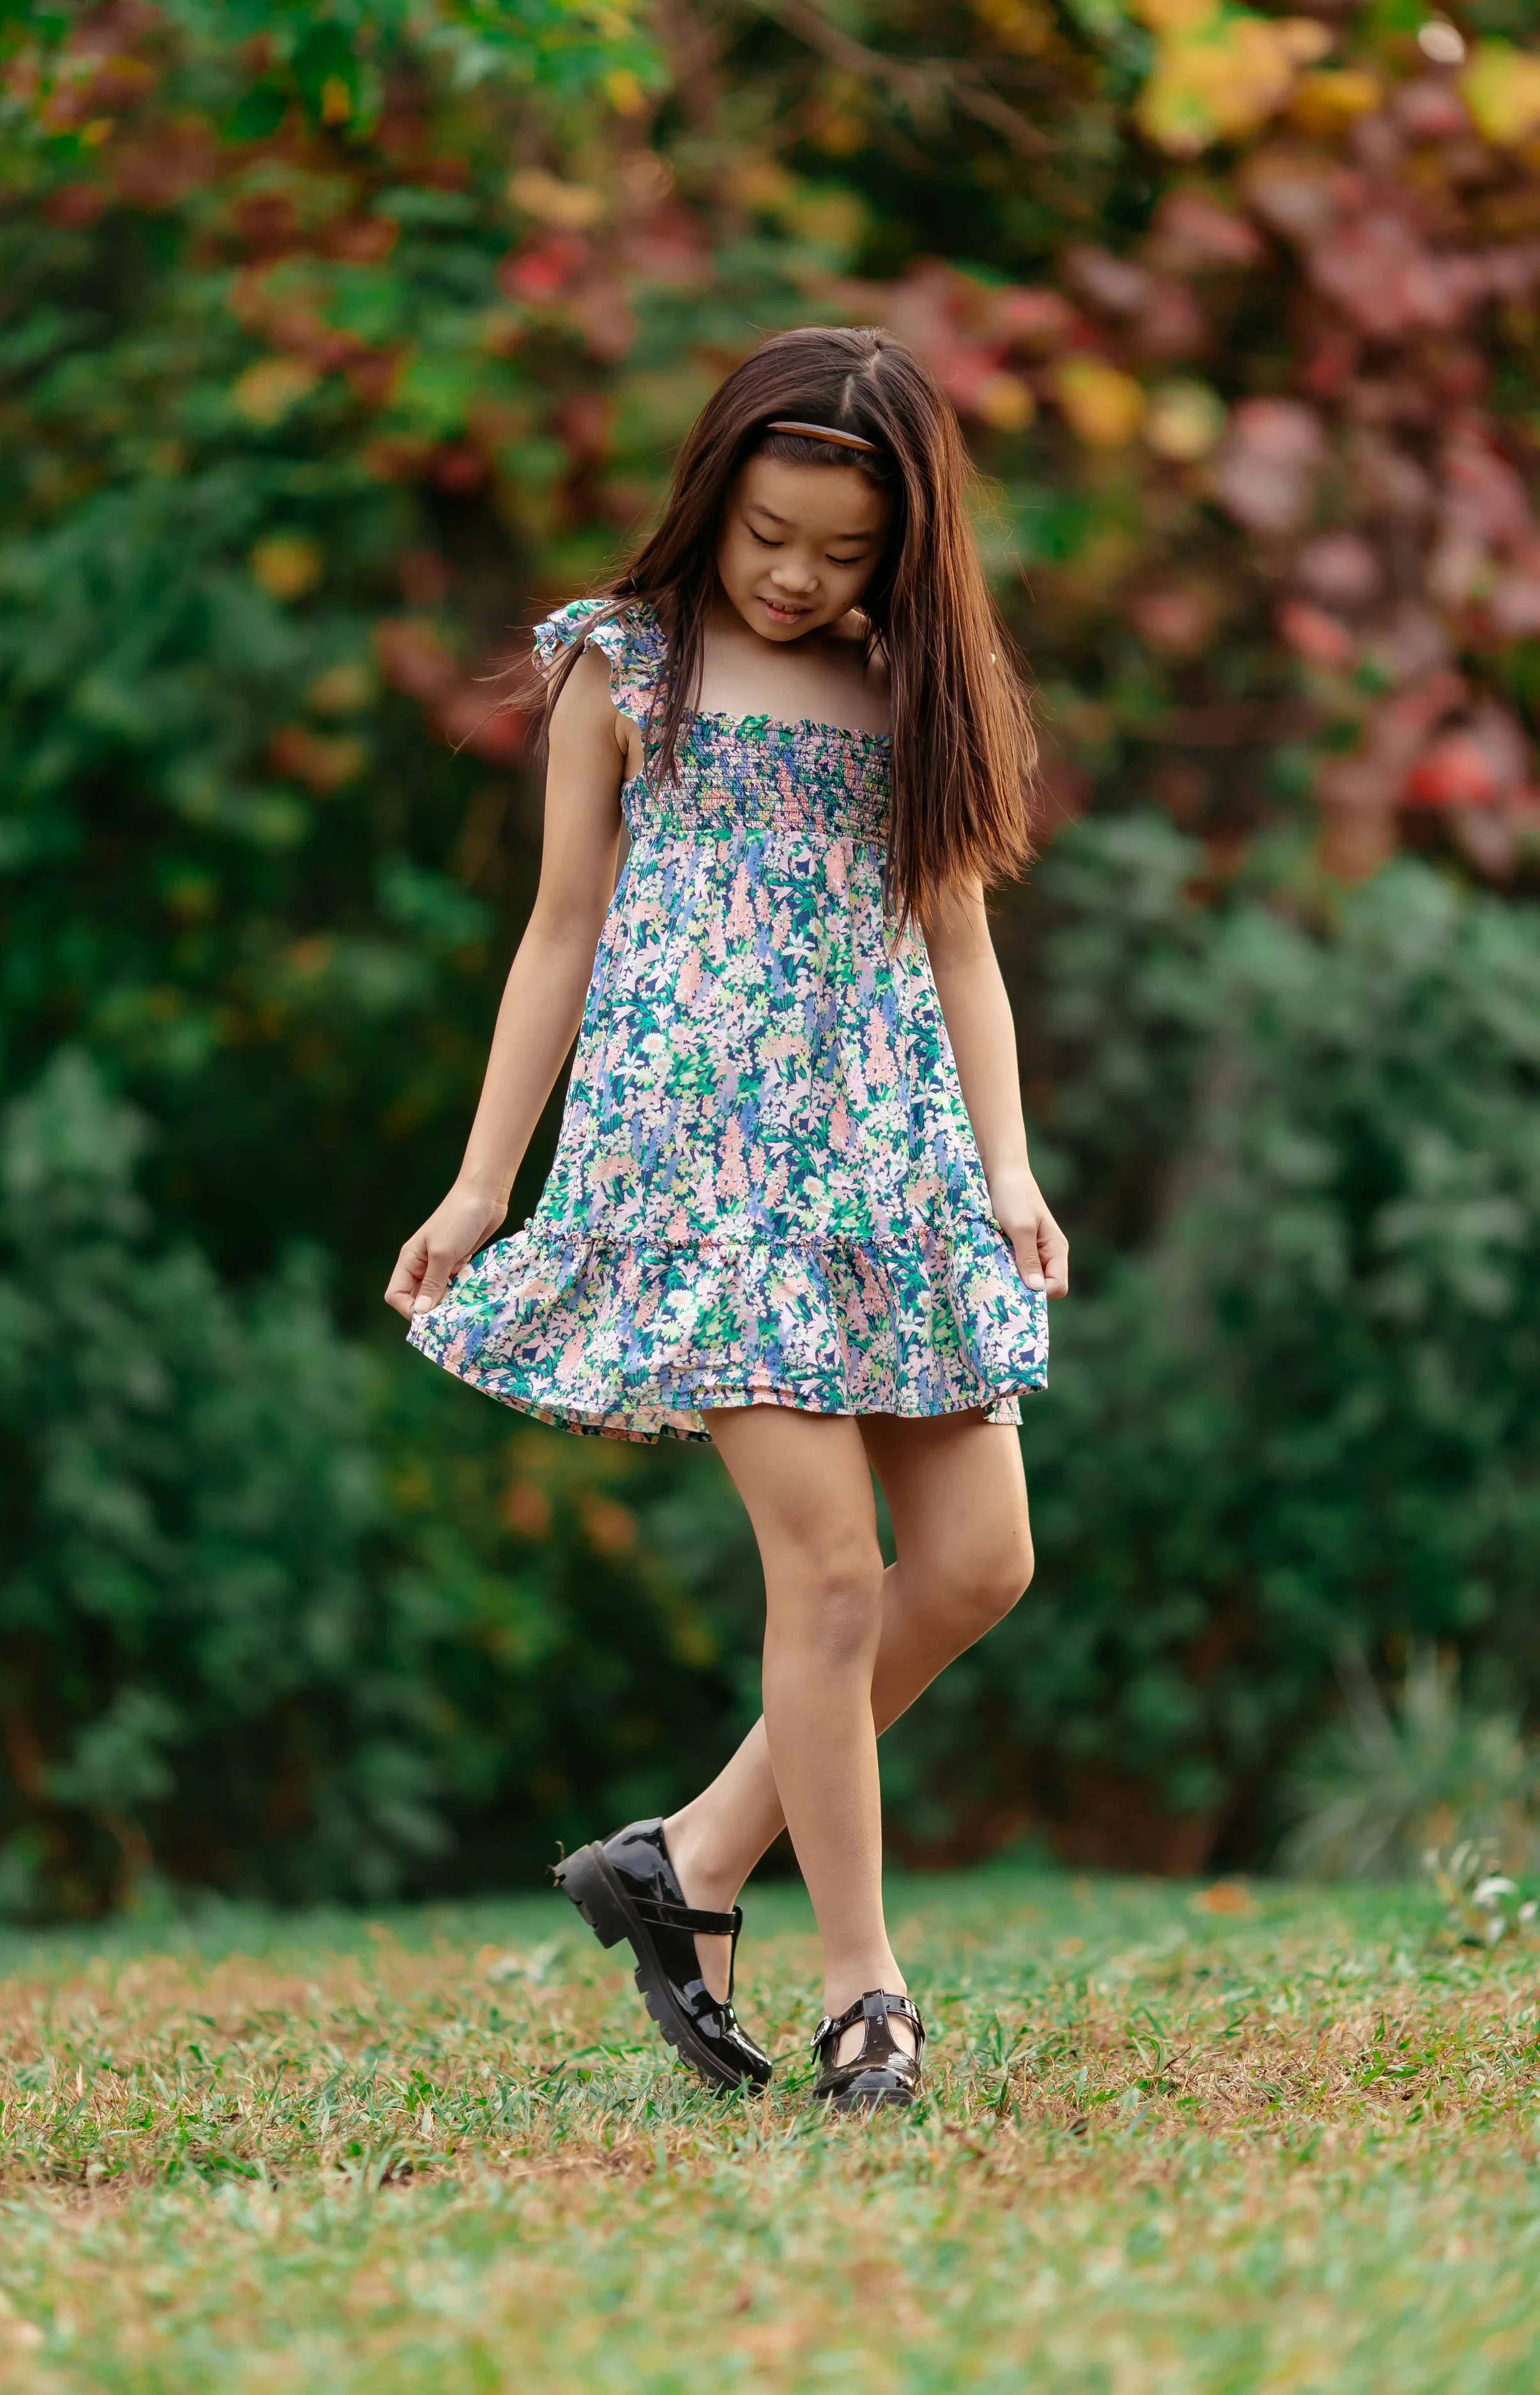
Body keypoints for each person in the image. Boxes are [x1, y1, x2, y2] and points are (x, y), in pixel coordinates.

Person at [385, 325, 1068, 2113]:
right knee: (831, 1571)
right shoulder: (630, 666)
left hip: (890, 1160)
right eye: (771, 532)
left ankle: (681, 1858)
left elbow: (960, 944)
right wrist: (483, 1181)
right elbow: (559, 931)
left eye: (843, 551)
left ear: (903, 549)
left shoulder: (913, 688)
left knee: (979, 1560)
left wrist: (1003, 1168)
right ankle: (865, 1988)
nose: (795, 573)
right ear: (714, 495)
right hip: (704, 1172)